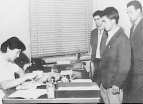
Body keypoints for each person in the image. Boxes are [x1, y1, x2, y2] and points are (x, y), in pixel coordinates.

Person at [99, 7, 131, 104]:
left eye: (104, 21)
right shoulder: (107, 35)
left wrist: (117, 84)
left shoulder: (122, 39)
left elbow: (124, 66)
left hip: (113, 87)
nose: (102, 24)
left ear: (113, 21)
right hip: (104, 84)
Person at [0, 37, 37, 104]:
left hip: (9, 96)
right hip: (2, 99)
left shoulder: (9, 61)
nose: (18, 56)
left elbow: (20, 70)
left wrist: (22, 76)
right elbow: (4, 85)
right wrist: (24, 78)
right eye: (17, 52)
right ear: (8, 48)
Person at [126, 0, 143, 103]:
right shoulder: (132, 28)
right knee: (132, 97)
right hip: (132, 69)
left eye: (130, 12)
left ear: (138, 10)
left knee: (137, 98)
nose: (129, 15)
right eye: (127, 12)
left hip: (140, 70)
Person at [90, 10, 107, 85]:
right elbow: (92, 46)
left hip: (104, 61)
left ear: (102, 19)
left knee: (103, 83)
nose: (96, 21)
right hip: (95, 61)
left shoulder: (107, 32)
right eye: (95, 19)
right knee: (94, 82)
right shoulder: (93, 32)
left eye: (98, 19)